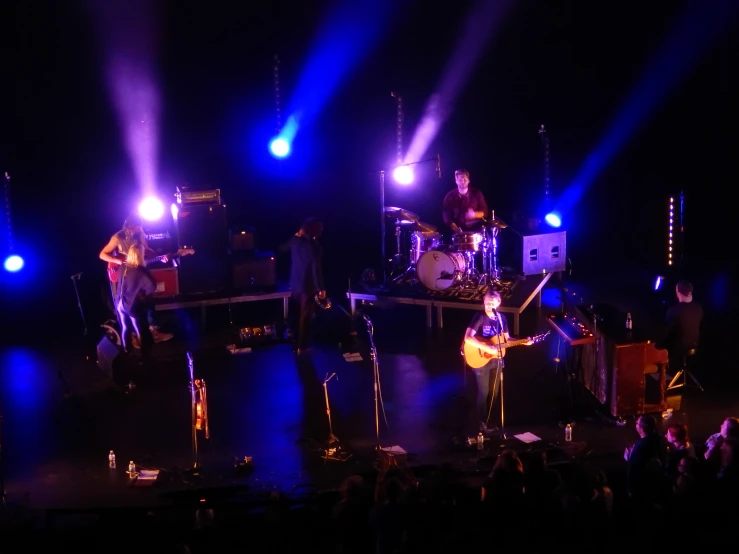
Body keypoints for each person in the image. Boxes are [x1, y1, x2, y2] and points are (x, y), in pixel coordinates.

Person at [463, 290, 532, 434]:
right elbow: (468, 338)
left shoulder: (502, 319)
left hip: (496, 359)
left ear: (499, 304)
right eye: (487, 303)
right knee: (484, 392)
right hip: (480, 359)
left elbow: (506, 340)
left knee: (494, 393)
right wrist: (486, 346)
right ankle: (480, 422)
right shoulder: (480, 317)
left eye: (492, 304)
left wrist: (523, 341)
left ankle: (488, 421)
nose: (489, 306)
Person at [99, 214, 173, 343]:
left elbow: (147, 250)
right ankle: (134, 336)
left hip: (140, 270)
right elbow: (102, 254)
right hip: (126, 273)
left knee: (148, 299)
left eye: (140, 227)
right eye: (137, 227)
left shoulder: (140, 233)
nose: (139, 229)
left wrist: (159, 256)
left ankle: (153, 331)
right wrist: (117, 260)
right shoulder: (118, 237)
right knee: (129, 303)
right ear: (129, 226)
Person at [288, 217, 326, 355]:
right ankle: (302, 347)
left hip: (295, 284)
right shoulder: (314, 247)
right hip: (308, 286)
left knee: (297, 315)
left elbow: (284, 247)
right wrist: (320, 288)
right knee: (306, 317)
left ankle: (296, 343)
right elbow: (316, 269)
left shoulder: (295, 242)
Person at [115, 244, 156, 359]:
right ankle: (144, 358)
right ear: (140, 255)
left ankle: (127, 354)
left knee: (125, 328)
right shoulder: (140, 271)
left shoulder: (123, 267)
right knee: (140, 330)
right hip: (131, 305)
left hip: (119, 303)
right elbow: (152, 286)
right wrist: (142, 294)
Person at [658, 280, 703, 368]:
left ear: (678, 291)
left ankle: (664, 372)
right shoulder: (699, 307)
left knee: (660, 344)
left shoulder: (674, 310)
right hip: (695, 345)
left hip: (679, 348)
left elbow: (665, 333)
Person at [442, 168, 489, 234]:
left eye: (465, 179)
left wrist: (474, 214)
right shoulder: (449, 197)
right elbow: (447, 217)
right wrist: (456, 229)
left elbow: (485, 212)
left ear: (468, 180)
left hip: (476, 231)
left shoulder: (477, 193)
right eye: (460, 180)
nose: (462, 182)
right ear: (456, 181)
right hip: (458, 232)